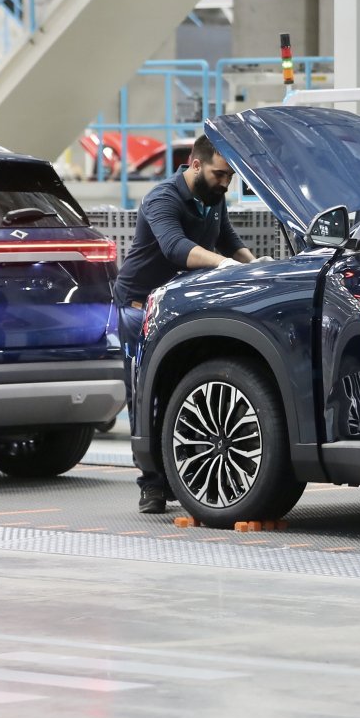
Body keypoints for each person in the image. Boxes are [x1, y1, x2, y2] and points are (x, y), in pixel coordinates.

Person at [115, 134, 260, 513]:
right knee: (145, 395)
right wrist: (223, 265)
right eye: (219, 175)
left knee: (179, 391)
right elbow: (174, 246)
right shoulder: (161, 198)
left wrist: (256, 266)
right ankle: (151, 484)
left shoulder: (213, 197)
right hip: (139, 308)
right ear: (195, 164)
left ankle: (179, 474)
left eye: (230, 177)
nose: (225, 183)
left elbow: (228, 239)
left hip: (178, 309)